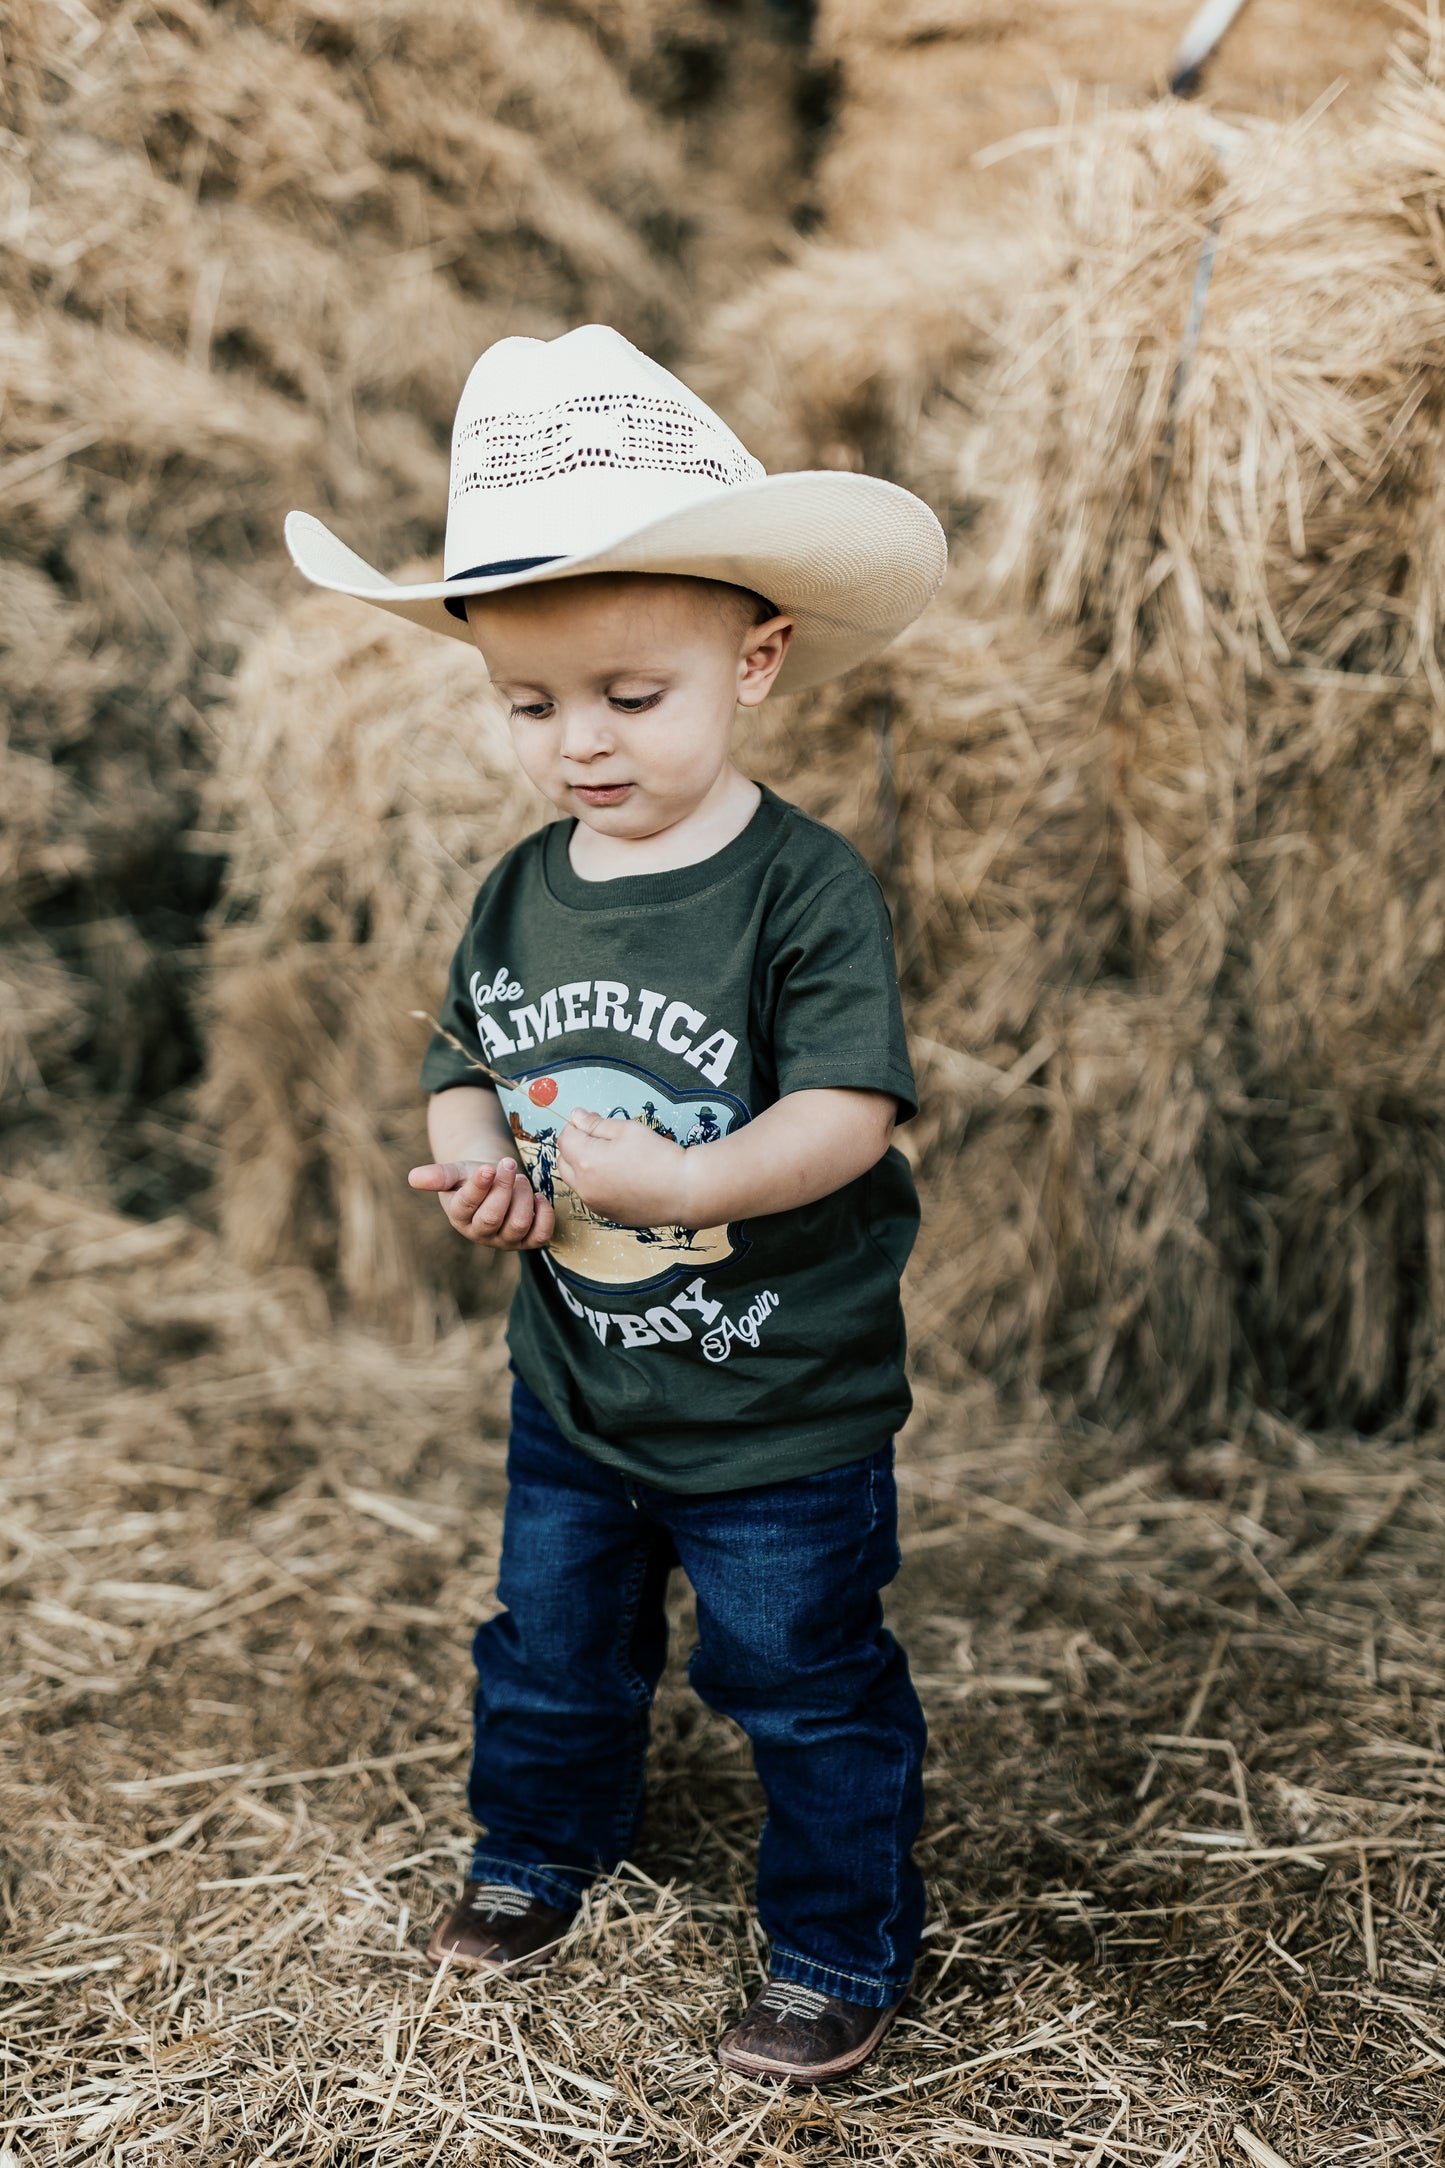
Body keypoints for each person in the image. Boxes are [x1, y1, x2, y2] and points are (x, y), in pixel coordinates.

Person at [285, 324, 946, 2085]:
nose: (576, 743)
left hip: (774, 1401)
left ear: (760, 659)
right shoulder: (520, 891)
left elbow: (849, 1113)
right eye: (528, 703)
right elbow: (464, 1058)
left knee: (797, 1681)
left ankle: (829, 1942)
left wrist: (694, 1180)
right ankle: (535, 1850)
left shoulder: (800, 890)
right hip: (576, 1385)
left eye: (627, 698)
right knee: (553, 1648)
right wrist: (480, 1161)